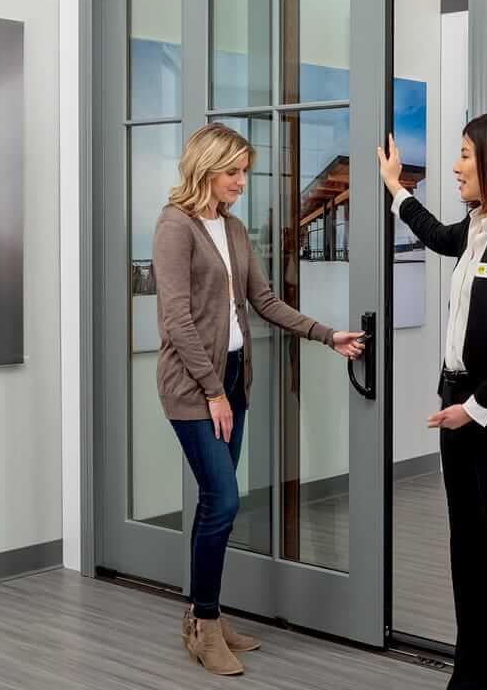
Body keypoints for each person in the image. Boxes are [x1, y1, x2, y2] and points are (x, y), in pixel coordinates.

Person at [153, 122, 365, 677]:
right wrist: (214, 392)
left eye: (245, 171)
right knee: (222, 501)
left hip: (233, 376)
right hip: (193, 384)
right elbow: (175, 320)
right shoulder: (175, 227)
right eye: (233, 172)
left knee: (215, 501)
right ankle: (202, 624)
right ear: (206, 169)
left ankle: (205, 613)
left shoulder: (235, 228)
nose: (242, 181)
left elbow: (264, 300)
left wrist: (327, 334)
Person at [377, 112, 487, 690]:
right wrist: (397, 189)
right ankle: (471, 678)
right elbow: (437, 235)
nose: (456, 166)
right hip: (459, 407)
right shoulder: (477, 225)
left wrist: (474, 407)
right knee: (469, 556)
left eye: (467, 156)